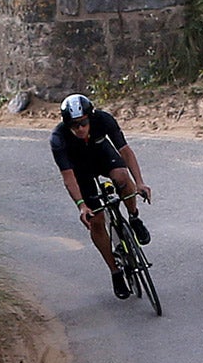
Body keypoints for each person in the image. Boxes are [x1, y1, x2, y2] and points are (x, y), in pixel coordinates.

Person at [50, 93, 153, 299]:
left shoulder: (103, 120)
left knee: (122, 178)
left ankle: (134, 218)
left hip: (102, 155)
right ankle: (115, 272)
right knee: (96, 221)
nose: (80, 129)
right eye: (74, 125)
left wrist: (140, 182)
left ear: (91, 117)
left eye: (83, 123)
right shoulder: (58, 139)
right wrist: (81, 205)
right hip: (80, 170)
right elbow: (69, 177)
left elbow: (125, 151)